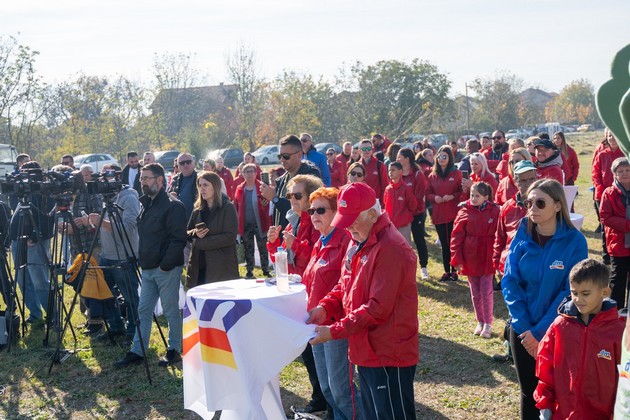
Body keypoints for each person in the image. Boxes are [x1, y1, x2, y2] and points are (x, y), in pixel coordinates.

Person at [307, 182, 418, 419]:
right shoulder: (358, 240)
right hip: (366, 349)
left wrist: (334, 331)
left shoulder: (391, 248)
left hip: (389, 353)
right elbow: (344, 284)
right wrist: (326, 307)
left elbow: (377, 309)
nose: (348, 228)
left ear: (371, 214)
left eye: (353, 220)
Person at [501, 178, 588, 419]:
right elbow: (510, 281)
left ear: (558, 205)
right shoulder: (523, 232)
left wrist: (540, 332)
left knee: (560, 395)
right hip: (522, 331)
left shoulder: (575, 241)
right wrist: (525, 329)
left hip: (559, 331)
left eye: (540, 203)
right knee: (530, 394)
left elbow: (570, 291)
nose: (532, 208)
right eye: (528, 202)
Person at [115, 163, 187, 368]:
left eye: (147, 178)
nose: (143, 182)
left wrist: (166, 266)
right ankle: (138, 351)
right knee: (143, 310)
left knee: (171, 310)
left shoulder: (173, 206)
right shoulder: (146, 204)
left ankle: (175, 350)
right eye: (141, 179)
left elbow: (178, 240)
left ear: (160, 180)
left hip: (166, 269)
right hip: (147, 269)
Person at [534, 258, 625, 419]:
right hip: (565, 414)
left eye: (585, 294)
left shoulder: (618, 330)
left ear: (604, 292)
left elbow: (625, 377)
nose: (577, 299)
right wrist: (546, 405)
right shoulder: (560, 326)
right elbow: (545, 368)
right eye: (574, 293)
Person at [301, 187, 356, 420]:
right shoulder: (320, 241)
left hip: (336, 326)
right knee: (326, 388)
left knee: (341, 390)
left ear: (336, 212)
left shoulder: (346, 241)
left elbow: (348, 286)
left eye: (321, 210)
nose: (314, 214)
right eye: (312, 210)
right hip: (316, 323)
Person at [88, 164, 141, 343]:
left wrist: (101, 222)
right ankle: (116, 326)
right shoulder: (107, 197)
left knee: (130, 296)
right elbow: (108, 225)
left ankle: (134, 330)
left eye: (107, 176)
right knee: (105, 293)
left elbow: (129, 227)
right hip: (107, 254)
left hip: (124, 255)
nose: (103, 180)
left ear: (118, 177)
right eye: (102, 176)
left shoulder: (129, 197)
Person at [450, 182, 499, 338]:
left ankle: (488, 323)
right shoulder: (464, 211)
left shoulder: (495, 211)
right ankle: (480, 321)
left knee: (486, 290)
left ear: (485, 197)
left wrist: (499, 257)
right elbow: (456, 236)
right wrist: (456, 259)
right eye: (472, 195)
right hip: (471, 255)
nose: (474, 198)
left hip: (487, 255)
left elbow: (501, 234)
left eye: (477, 195)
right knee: (475, 292)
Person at [9, 160, 55, 324]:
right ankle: (34, 314)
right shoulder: (20, 191)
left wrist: (35, 237)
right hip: (18, 240)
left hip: (35, 241)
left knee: (40, 280)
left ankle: (52, 315)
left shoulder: (44, 192)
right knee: (23, 280)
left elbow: (48, 219)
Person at [186, 171, 239, 286]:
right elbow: (187, 232)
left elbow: (230, 237)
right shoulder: (198, 209)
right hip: (198, 266)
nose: (202, 189)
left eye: (205, 185)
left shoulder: (227, 207)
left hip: (221, 268)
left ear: (215, 186)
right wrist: (195, 233)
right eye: (199, 185)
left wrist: (202, 243)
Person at [260, 134, 321, 230]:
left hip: (302, 236)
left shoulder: (310, 175)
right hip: (283, 238)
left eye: (286, 156)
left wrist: (275, 199)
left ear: (299, 155)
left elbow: (303, 208)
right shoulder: (282, 179)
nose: (282, 160)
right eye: (280, 156)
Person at [266, 174, 322, 276]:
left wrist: (295, 245)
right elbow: (281, 263)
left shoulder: (317, 223)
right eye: (290, 195)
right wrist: (274, 243)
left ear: (311, 197)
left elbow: (318, 259)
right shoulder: (293, 222)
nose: (292, 199)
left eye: (297, 196)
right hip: (292, 284)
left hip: (306, 286)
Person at [493, 160, 537, 276]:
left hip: (536, 265)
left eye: (532, 179)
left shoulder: (544, 205)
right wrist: (497, 262)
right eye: (523, 180)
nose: (528, 184)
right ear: (516, 182)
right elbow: (500, 237)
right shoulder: (508, 207)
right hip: (510, 265)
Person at [426, 145, 463, 281]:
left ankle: (454, 271)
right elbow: (428, 192)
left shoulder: (456, 173)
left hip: (452, 213)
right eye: (440, 156)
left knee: (452, 243)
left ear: (449, 158)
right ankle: (447, 271)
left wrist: (452, 196)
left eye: (445, 157)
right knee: (443, 243)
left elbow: (461, 191)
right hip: (438, 214)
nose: (442, 159)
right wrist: (434, 198)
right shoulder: (432, 176)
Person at [599, 156, 630, 309]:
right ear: (614, 174)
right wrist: (626, 225)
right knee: (618, 279)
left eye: (628, 170)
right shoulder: (609, 193)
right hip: (618, 245)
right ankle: (614, 312)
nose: (624, 173)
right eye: (620, 171)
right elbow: (605, 216)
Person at [233, 163, 271, 279]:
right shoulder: (240, 189)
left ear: (256, 173)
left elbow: (269, 205)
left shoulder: (262, 187)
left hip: (260, 223)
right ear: (242, 174)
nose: (249, 174)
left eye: (251, 171)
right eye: (247, 171)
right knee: (248, 249)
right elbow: (236, 207)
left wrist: (266, 205)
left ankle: (265, 270)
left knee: (263, 248)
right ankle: (249, 271)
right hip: (245, 224)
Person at [593, 128, 624, 265]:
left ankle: (620, 253)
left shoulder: (624, 154)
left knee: (619, 226)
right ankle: (607, 255)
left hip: (621, 194)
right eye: (609, 135)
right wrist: (601, 190)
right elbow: (596, 174)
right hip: (603, 195)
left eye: (614, 135)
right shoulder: (601, 155)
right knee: (604, 225)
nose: (612, 138)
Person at [397, 148, 429, 280]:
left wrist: (409, 207)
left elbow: (419, 195)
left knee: (419, 240)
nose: (398, 159)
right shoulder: (397, 174)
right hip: (401, 214)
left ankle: (424, 268)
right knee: (402, 242)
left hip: (416, 213)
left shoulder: (417, 174)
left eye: (400, 157)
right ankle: (405, 270)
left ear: (407, 159)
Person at [167, 152, 197, 265]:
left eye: (188, 162)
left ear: (194, 163)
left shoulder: (201, 178)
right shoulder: (174, 180)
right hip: (180, 225)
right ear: (178, 165)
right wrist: (171, 197)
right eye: (182, 163)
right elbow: (167, 198)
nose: (185, 165)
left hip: (196, 222)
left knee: (197, 259)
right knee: (184, 261)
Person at [383, 161, 417, 246]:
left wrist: (405, 217)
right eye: (389, 170)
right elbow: (385, 204)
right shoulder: (388, 189)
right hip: (390, 225)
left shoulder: (406, 189)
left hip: (403, 225)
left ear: (400, 172)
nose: (390, 172)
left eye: (393, 170)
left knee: (405, 247)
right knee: (392, 248)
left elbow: (413, 205)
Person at [358, 138, 388, 203]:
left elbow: (385, 186)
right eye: (364, 149)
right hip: (361, 202)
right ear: (360, 151)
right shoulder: (356, 166)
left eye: (369, 148)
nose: (367, 151)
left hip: (376, 202)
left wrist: (383, 203)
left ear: (372, 150)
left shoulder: (380, 165)